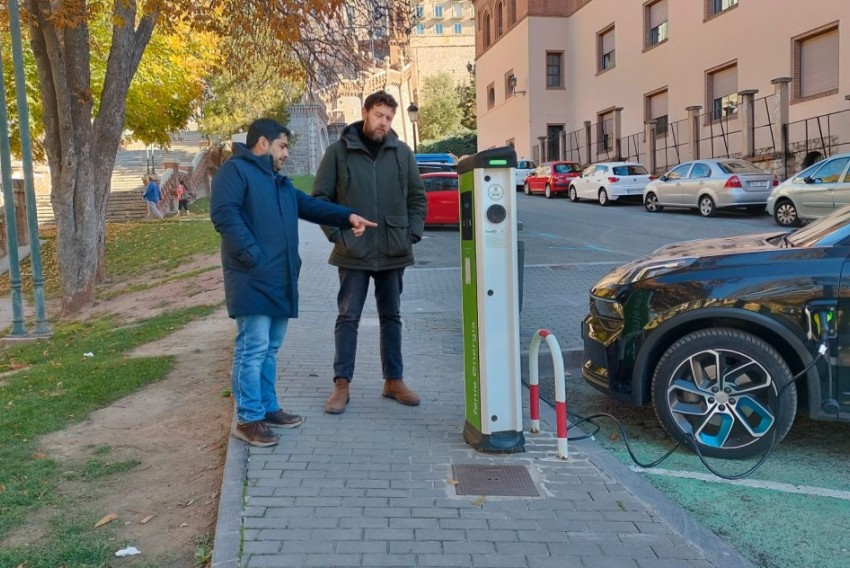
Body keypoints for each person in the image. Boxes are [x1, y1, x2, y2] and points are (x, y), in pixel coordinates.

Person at [211, 118, 376, 447]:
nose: (286, 153)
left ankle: (267, 408)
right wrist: (253, 257)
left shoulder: (279, 183)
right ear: (263, 143)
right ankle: (248, 418)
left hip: (280, 277)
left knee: (270, 349)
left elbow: (310, 206)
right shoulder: (235, 171)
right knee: (252, 348)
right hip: (251, 277)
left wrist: (347, 216)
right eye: (282, 146)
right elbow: (224, 215)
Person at [312, 90, 428, 415]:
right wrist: (339, 236)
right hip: (353, 251)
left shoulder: (402, 153)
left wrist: (411, 233)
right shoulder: (338, 152)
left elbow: (417, 198)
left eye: (389, 118)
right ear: (365, 112)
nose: (384, 122)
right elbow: (320, 200)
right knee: (348, 317)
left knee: (391, 316)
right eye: (379, 115)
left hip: (393, 250)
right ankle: (341, 384)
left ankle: (393, 381)